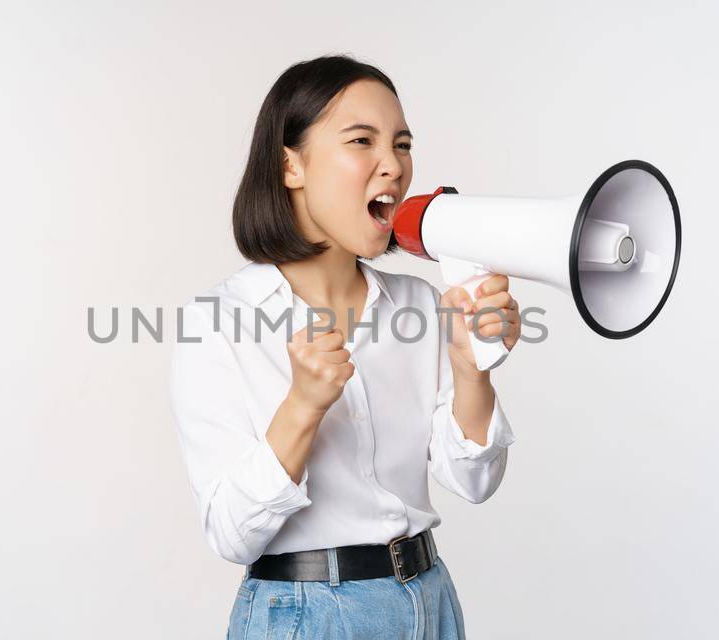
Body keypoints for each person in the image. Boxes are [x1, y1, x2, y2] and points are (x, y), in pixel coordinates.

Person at [170, 55, 522, 639]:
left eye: (403, 145)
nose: (394, 166)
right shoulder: (218, 322)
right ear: (291, 165)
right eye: (362, 141)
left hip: (430, 602)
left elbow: (475, 483)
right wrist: (303, 406)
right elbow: (232, 535)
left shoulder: (419, 303)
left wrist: (471, 371)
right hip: (307, 615)